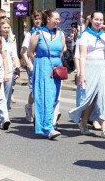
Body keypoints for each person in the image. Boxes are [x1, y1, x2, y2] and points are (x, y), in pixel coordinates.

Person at [69, 11, 105, 139]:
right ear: (91, 20)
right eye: (96, 19)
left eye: (101, 20)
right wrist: (81, 73)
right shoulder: (85, 36)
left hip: (104, 66)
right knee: (90, 98)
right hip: (90, 66)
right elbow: (82, 56)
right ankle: (83, 122)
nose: (99, 22)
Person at [28, 9, 66, 139]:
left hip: (57, 67)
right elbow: (30, 52)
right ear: (48, 19)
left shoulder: (61, 34)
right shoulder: (37, 34)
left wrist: (57, 63)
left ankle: (48, 125)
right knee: (45, 97)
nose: (58, 21)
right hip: (43, 66)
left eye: (59, 19)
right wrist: (38, 66)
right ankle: (48, 127)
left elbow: (62, 50)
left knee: (54, 97)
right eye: (55, 18)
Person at [0, 18, 21, 130]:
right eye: (4, 27)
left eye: (8, 27)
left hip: (9, 70)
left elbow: (14, 54)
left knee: (7, 95)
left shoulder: (11, 39)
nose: (6, 29)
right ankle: (2, 117)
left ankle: (1, 118)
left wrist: (17, 67)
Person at [21, 10, 43, 123]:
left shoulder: (46, 32)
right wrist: (29, 64)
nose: (37, 21)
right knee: (34, 90)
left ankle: (40, 114)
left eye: (39, 18)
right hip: (34, 66)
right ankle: (29, 107)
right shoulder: (30, 34)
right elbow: (23, 51)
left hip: (44, 65)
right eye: (35, 19)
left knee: (42, 90)